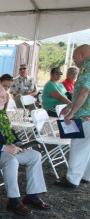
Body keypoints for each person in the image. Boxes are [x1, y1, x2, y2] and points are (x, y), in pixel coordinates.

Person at [0, 85, 52, 215]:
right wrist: (4, 148)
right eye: (2, 97)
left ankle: (32, 195)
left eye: (5, 97)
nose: (5, 100)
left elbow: (10, 131)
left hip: (5, 149)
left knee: (35, 155)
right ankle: (14, 200)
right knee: (11, 160)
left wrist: (19, 143)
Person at [56, 44, 90, 188]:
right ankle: (86, 176)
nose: (74, 61)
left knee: (78, 146)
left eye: (75, 57)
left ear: (82, 55)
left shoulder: (87, 69)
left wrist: (72, 112)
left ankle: (71, 180)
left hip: (85, 116)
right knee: (87, 147)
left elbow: (84, 92)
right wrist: (70, 105)